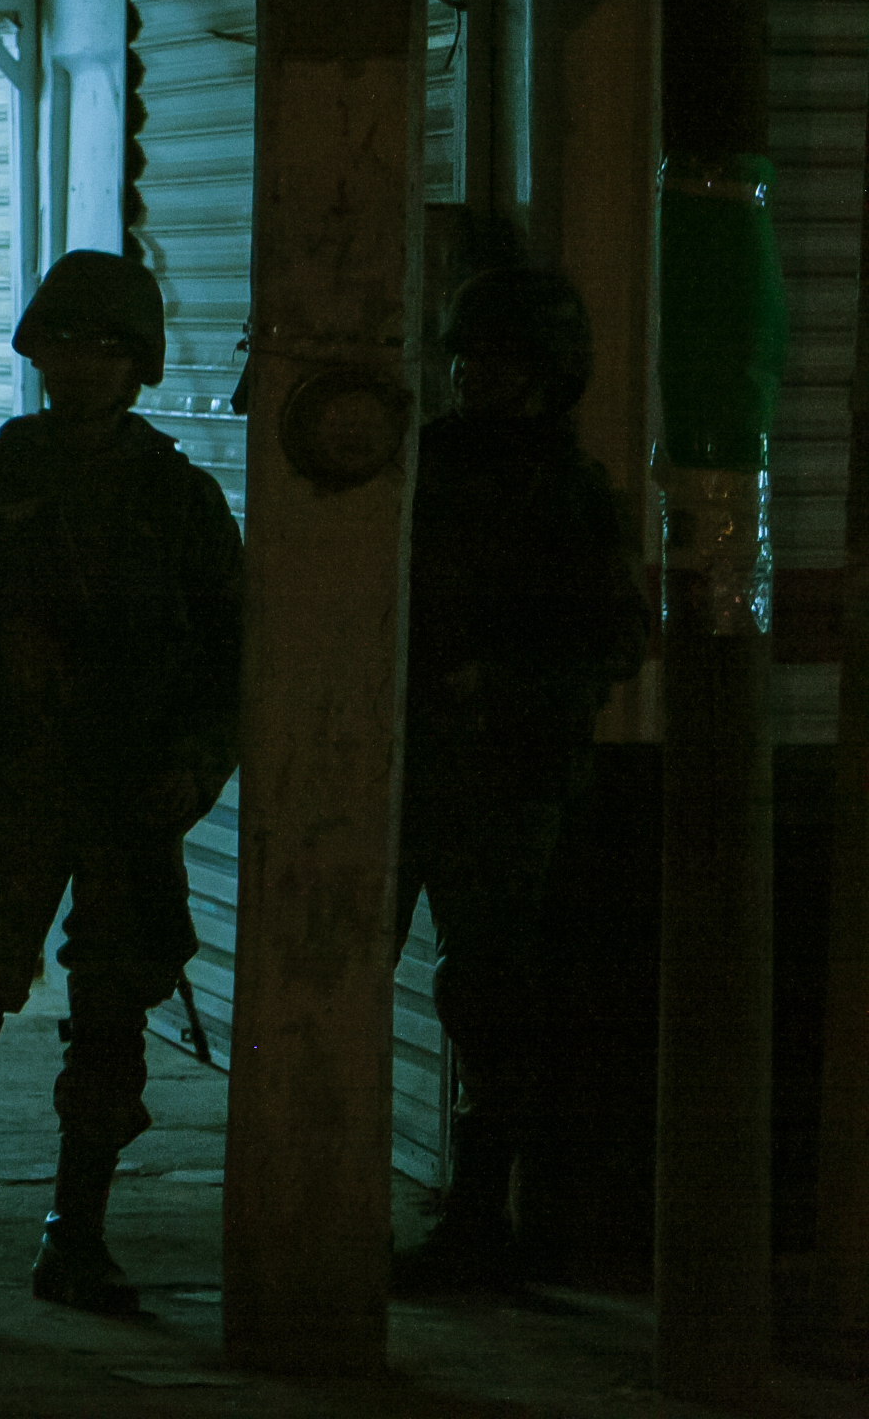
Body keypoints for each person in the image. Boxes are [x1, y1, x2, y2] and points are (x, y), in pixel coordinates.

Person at [0, 250, 243, 1324]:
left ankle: (77, 1238)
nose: (80, 366)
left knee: (112, 1026)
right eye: (63, 344)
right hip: (12, 785)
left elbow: (232, 662)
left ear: (138, 364)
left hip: (126, 799)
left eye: (105, 349)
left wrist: (192, 769)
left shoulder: (178, 499)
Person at [391, 266, 648, 1291]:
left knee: (490, 1001)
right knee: (344, 971)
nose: (471, 376)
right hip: (403, 761)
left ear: (545, 373)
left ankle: (477, 1221)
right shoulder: (419, 463)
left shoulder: (571, 492)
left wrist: (498, 681)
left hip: (507, 777)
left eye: (496, 361)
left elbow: (617, 641)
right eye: (464, 357)